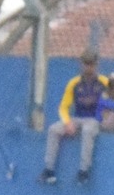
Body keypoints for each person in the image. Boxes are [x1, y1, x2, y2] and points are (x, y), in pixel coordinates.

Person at [42, 50, 108, 184]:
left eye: (91, 64)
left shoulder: (104, 82)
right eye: (85, 64)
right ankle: (49, 170)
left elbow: (112, 102)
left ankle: (84, 171)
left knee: (87, 131)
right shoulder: (74, 83)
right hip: (77, 118)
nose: (88, 67)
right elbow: (63, 107)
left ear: (96, 65)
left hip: (95, 119)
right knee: (54, 129)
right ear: (81, 65)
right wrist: (67, 123)